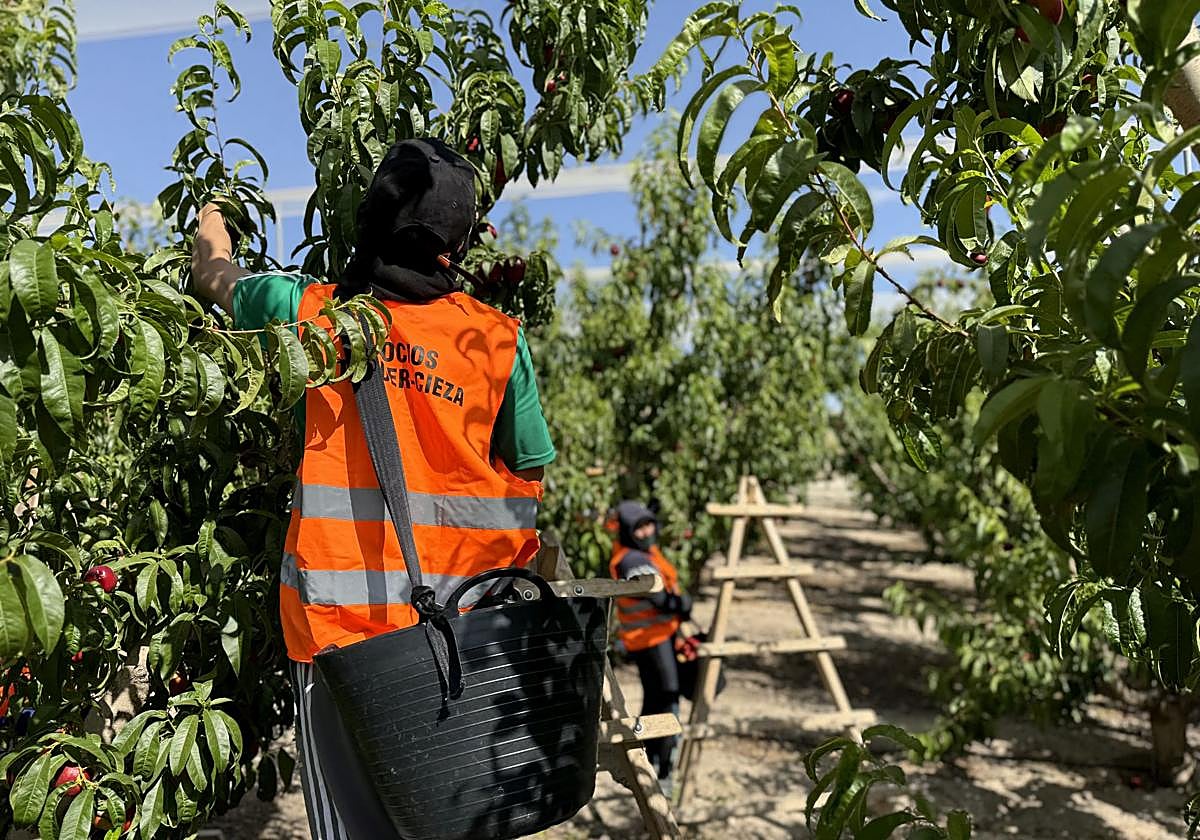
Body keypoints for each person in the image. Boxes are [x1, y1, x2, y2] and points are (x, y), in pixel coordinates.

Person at [191, 137, 557, 840]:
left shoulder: (309, 314)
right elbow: (530, 472)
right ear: (456, 243)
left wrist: (213, 211)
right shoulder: (497, 343)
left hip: (341, 644)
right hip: (466, 640)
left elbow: (216, 275)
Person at [608, 500, 692, 787]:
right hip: (650, 641)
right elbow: (656, 597)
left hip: (658, 638)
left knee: (656, 699)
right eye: (638, 528)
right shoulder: (632, 560)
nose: (646, 532)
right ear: (628, 531)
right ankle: (662, 770)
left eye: (648, 524)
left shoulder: (642, 552)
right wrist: (682, 605)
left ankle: (650, 760)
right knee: (666, 700)